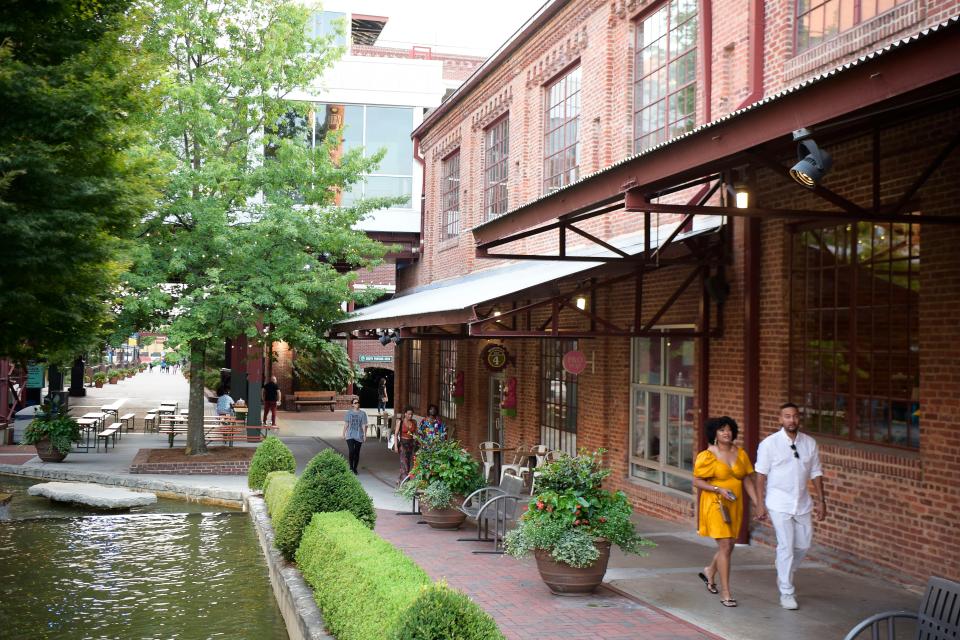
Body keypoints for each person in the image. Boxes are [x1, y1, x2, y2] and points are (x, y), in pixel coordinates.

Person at [755, 402, 827, 611]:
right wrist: (760, 504)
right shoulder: (769, 444)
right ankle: (786, 591)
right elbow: (760, 476)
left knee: (803, 545)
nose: (791, 420)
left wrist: (822, 501)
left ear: (799, 418)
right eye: (787, 416)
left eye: (795, 416)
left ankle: (783, 568)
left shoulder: (809, 443)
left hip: (802, 502)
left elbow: (815, 472)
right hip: (779, 502)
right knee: (786, 545)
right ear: (780, 419)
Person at [692, 416, 765, 608]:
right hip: (716, 503)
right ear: (714, 433)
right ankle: (726, 593)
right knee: (725, 546)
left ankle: (710, 570)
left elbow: (747, 479)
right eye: (722, 429)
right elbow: (697, 481)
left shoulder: (739, 453)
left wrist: (758, 503)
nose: (727, 432)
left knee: (730, 545)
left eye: (729, 429)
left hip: (735, 504)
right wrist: (719, 489)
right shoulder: (708, 455)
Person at [393, 406, 418, 485]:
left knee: (408, 463)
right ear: (405, 414)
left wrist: (416, 438)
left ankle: (400, 479)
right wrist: (396, 446)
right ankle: (405, 483)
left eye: (411, 414)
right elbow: (396, 434)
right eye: (409, 414)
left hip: (411, 444)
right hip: (403, 444)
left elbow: (416, 433)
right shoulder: (400, 422)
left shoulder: (414, 422)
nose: (410, 416)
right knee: (403, 462)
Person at [343, 398, 367, 475]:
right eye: (355, 403)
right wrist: (343, 433)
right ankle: (350, 467)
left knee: (357, 453)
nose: (357, 404)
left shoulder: (362, 413)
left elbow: (364, 425)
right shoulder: (348, 413)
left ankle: (355, 468)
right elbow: (346, 424)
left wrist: (364, 435)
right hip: (350, 435)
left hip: (359, 435)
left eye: (358, 402)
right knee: (351, 451)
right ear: (352, 404)